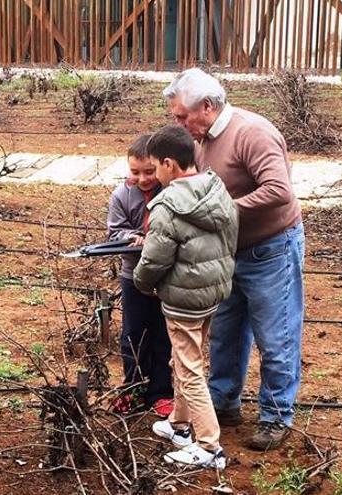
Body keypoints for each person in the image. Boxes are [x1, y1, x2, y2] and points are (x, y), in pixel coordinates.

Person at [163, 68, 305, 450]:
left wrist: (222, 210)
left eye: (181, 116)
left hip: (270, 248)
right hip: (228, 252)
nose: (178, 124)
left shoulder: (251, 133)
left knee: (276, 337)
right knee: (226, 332)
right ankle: (224, 401)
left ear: (206, 107)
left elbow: (279, 191)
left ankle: (276, 416)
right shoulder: (201, 138)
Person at [133, 125, 238, 468]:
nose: (153, 175)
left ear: (168, 164)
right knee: (183, 359)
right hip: (211, 293)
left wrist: (142, 283)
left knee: (190, 370)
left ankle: (209, 448)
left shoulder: (167, 205)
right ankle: (179, 425)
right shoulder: (214, 188)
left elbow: (154, 258)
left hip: (182, 300)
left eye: (155, 167)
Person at [107, 134, 174, 417]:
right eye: (135, 172)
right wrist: (131, 237)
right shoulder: (121, 195)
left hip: (165, 277)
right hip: (133, 275)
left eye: (149, 171)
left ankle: (161, 392)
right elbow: (113, 232)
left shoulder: (170, 192)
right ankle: (133, 389)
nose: (144, 178)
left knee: (163, 334)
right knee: (133, 334)